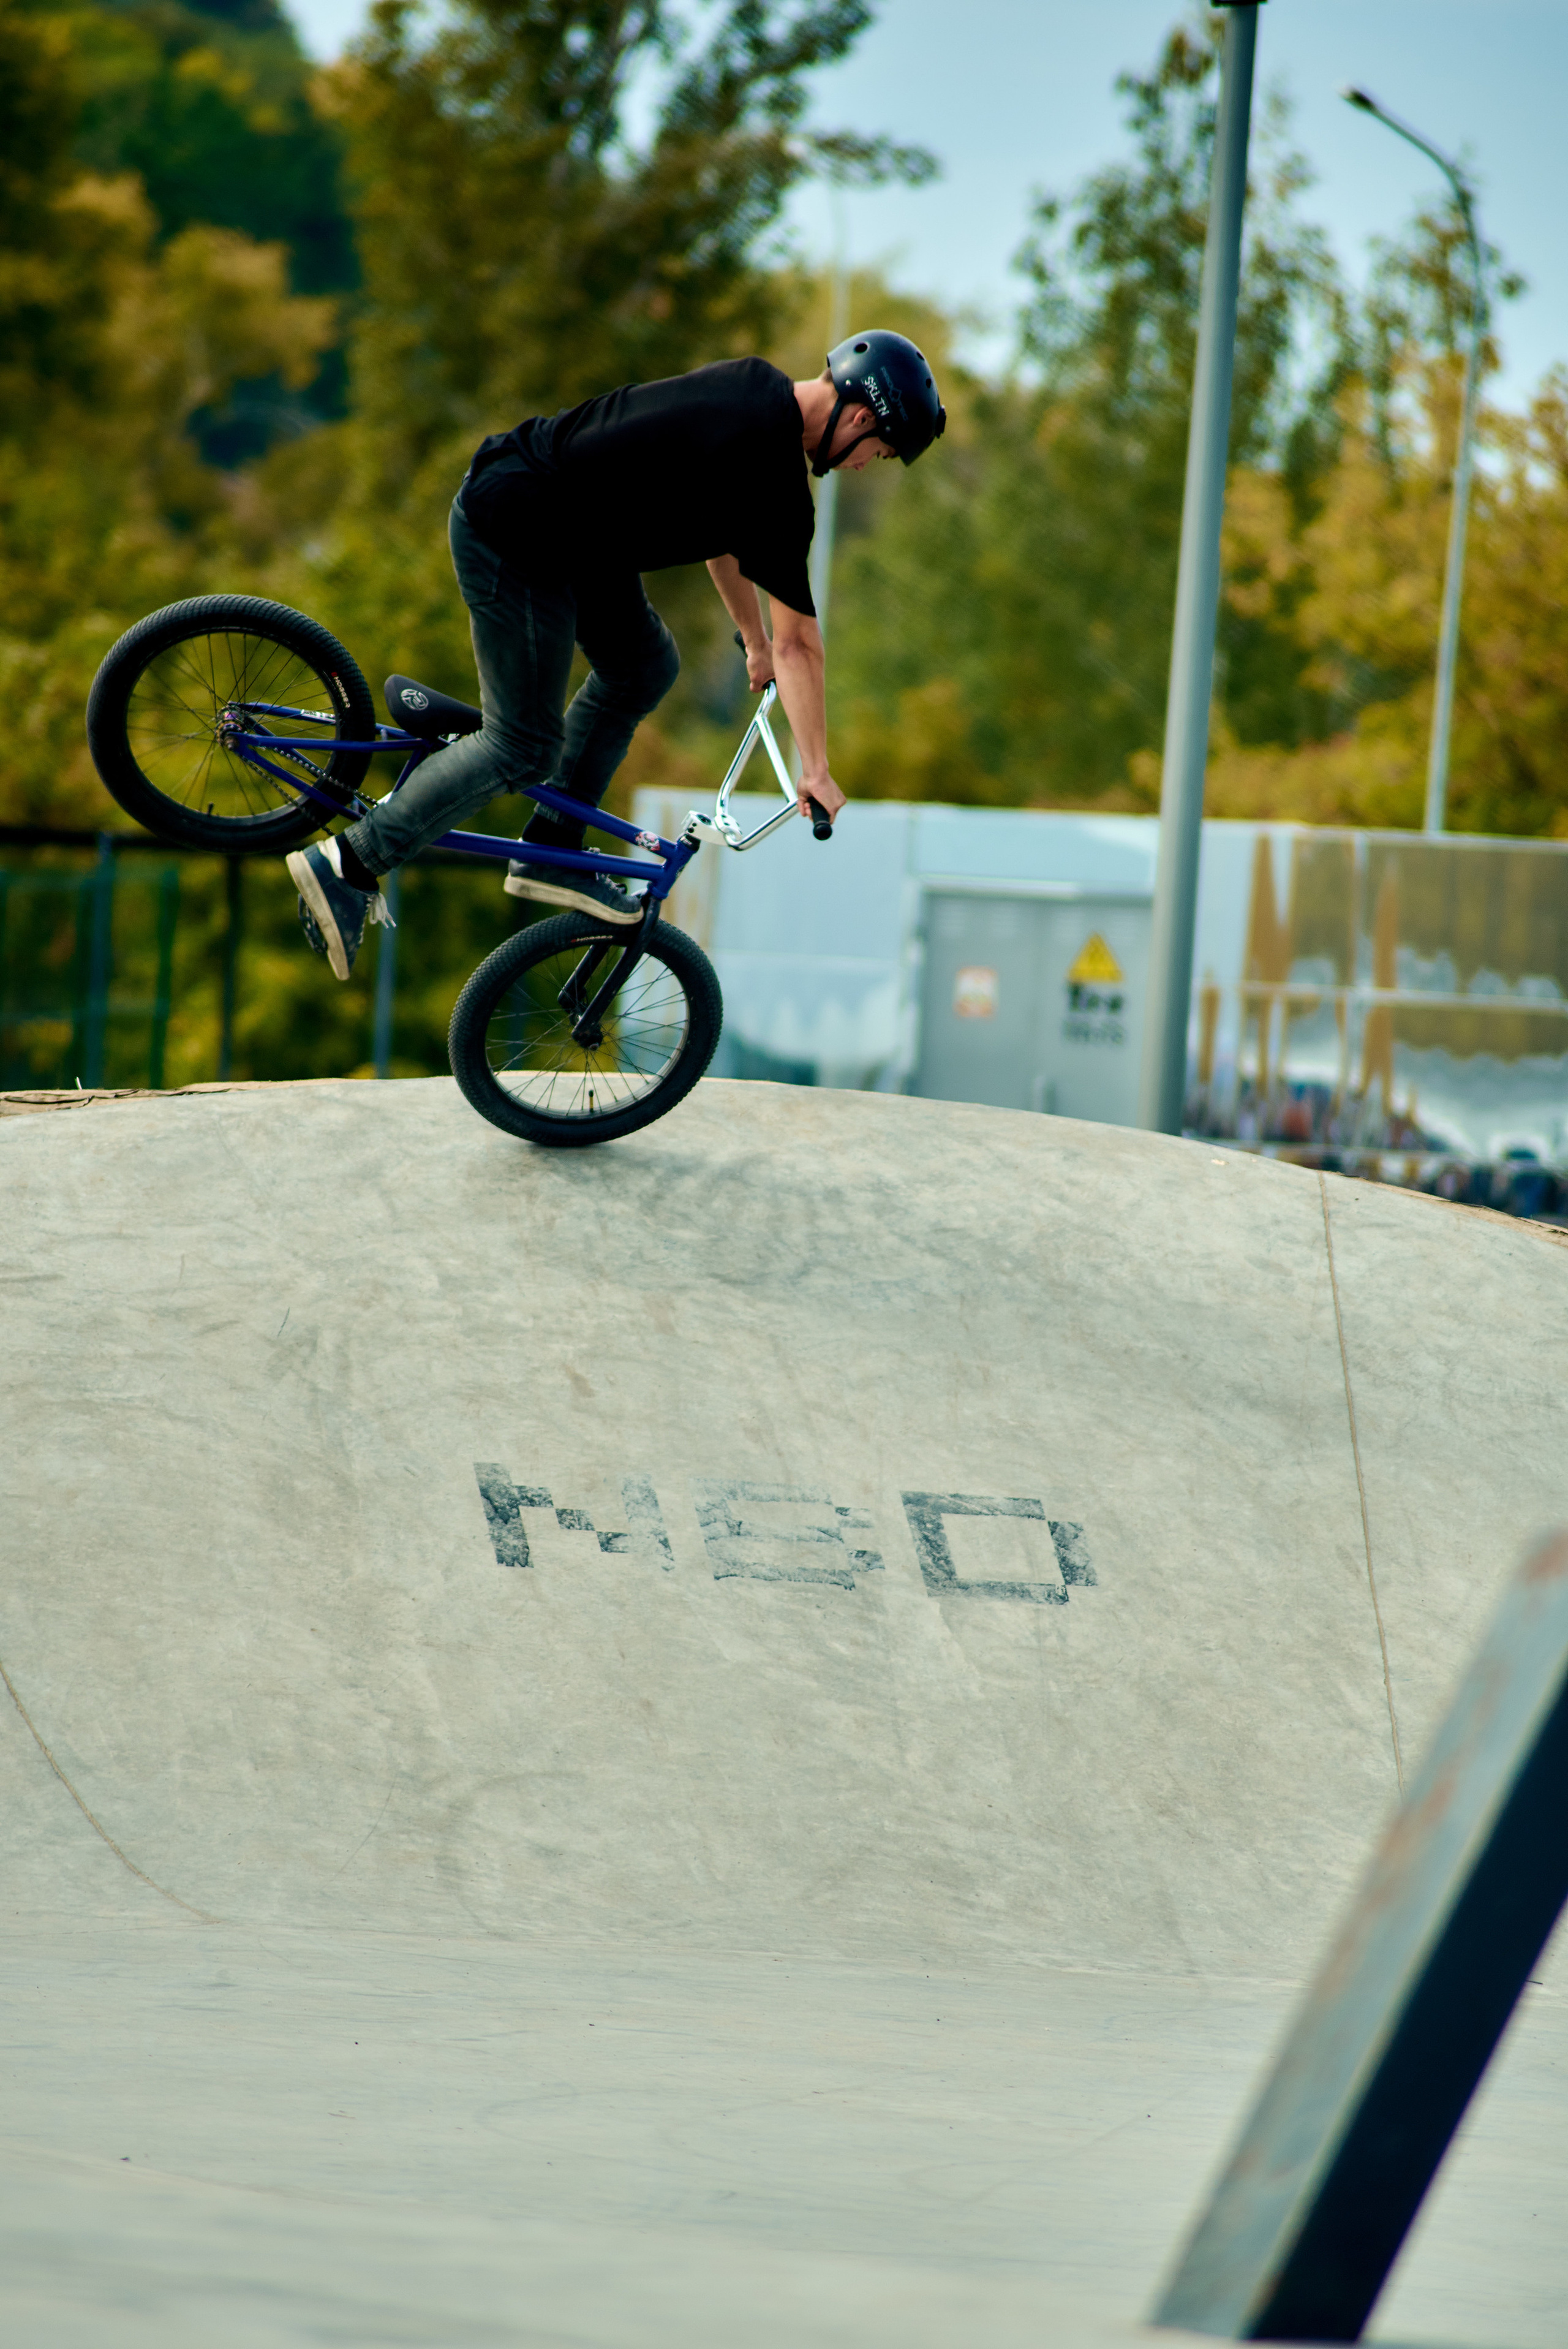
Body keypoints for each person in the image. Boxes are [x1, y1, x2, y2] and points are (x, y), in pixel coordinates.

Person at [286, 332, 946, 978]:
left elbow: (725, 542)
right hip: (518, 528)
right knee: (523, 745)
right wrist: (817, 770)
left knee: (643, 665)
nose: (863, 465)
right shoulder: (773, 479)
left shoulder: (751, 389)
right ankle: (348, 862)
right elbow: (803, 643)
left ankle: (550, 851)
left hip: (571, 537)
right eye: (879, 451)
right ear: (860, 417)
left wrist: (752, 641)